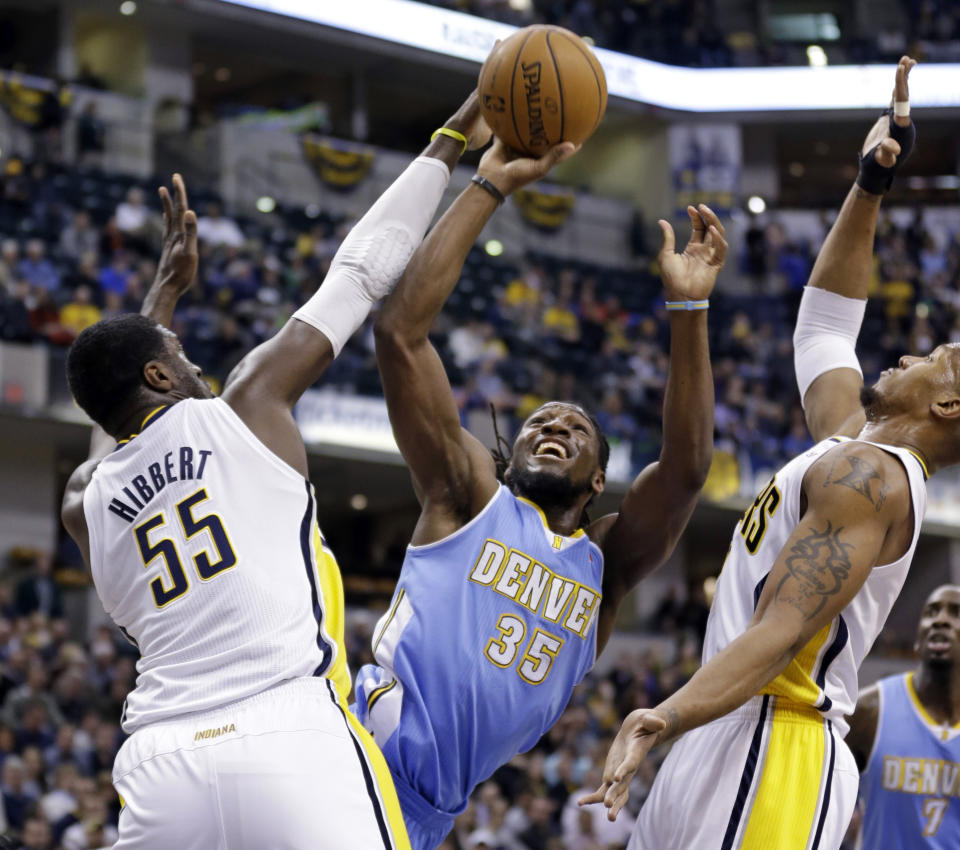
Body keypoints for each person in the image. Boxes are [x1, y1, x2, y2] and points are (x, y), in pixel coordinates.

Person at [59, 89, 484, 849]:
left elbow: (114, 427)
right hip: (289, 730)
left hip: (160, 764)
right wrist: (451, 139)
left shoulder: (82, 501)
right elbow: (358, 271)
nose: (197, 369)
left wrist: (160, 308)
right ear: (159, 377)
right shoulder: (245, 407)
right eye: (181, 359)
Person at [581, 57, 937, 850]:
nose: (909, 354)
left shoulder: (871, 479)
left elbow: (781, 630)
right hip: (721, 727)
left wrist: (661, 714)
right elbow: (823, 328)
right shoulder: (853, 445)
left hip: (778, 737)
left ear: (946, 407)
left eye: (932, 359)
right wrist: (871, 182)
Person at [352, 107, 727, 849]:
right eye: (539, 423)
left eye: (575, 428)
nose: (554, 426)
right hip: (353, 755)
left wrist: (689, 307)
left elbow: (685, 472)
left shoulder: (603, 568)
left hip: (427, 812)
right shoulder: (466, 495)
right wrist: (488, 185)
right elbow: (400, 331)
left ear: (596, 486)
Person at [846, 584, 960, 848]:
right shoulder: (869, 711)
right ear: (918, 639)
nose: (940, 619)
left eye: (956, 613)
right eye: (931, 612)